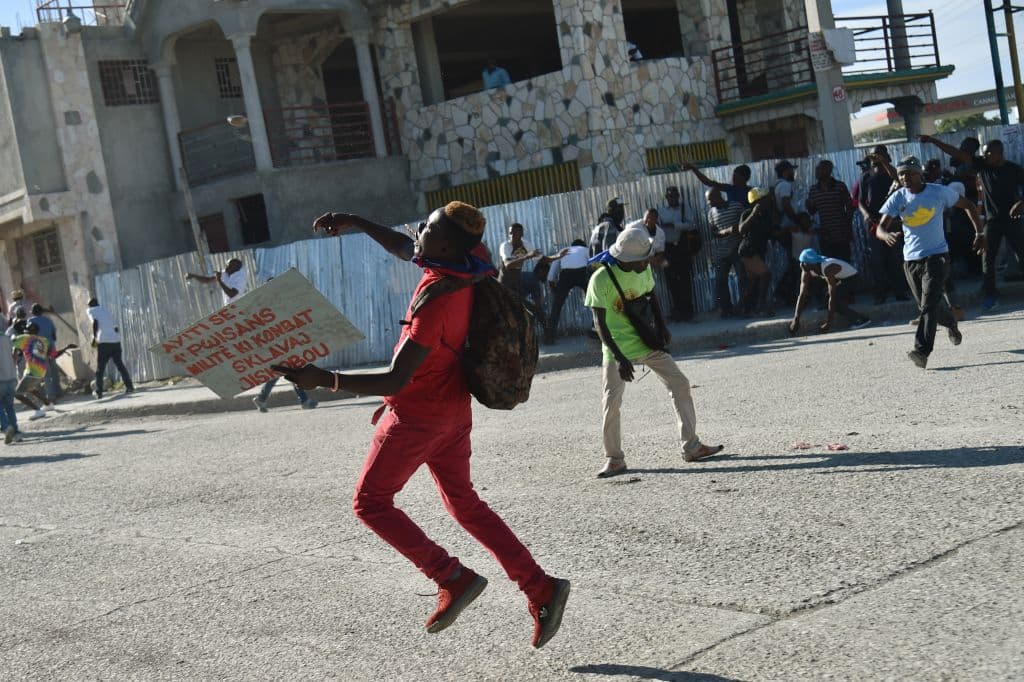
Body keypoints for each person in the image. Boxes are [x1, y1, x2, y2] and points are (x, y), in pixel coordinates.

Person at [276, 203, 570, 649]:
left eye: (428, 229)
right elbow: (404, 246)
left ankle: (451, 575)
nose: (419, 232)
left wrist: (326, 380)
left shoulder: (435, 304)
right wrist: (358, 220)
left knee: (370, 503)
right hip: (453, 410)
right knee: (464, 505)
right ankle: (539, 587)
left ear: (447, 243)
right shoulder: (470, 264)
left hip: (416, 416)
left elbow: (396, 377)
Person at [585, 225, 723, 479]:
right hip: (617, 350)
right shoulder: (601, 279)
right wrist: (620, 358)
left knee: (680, 383)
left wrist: (662, 327)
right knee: (611, 403)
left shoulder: (643, 269)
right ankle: (614, 460)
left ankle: (691, 446)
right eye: (645, 257)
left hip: (646, 343)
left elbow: (651, 296)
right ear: (631, 259)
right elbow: (599, 325)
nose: (649, 260)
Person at [876, 156, 985, 369]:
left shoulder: (938, 191)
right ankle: (951, 323)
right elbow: (880, 227)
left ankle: (922, 351)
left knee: (928, 305)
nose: (904, 177)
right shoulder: (898, 197)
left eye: (909, 172)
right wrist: (885, 235)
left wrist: (979, 231)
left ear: (919, 174)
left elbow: (969, 205)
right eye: (900, 174)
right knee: (928, 305)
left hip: (937, 256)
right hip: (911, 260)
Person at [920, 135, 1024, 311]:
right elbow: (957, 153)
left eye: (987, 153)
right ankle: (991, 294)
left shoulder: (1014, 169)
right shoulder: (982, 166)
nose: (983, 156)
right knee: (987, 259)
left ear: (998, 153)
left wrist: (1021, 202)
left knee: (1022, 254)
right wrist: (934, 141)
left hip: (1013, 220)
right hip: (993, 221)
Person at [859, 146, 908, 303]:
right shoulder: (865, 176)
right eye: (873, 155)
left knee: (895, 258)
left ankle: (900, 291)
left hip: (892, 222)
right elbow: (859, 201)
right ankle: (880, 294)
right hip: (874, 223)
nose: (875, 158)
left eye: (878, 154)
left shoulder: (892, 173)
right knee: (877, 260)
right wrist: (866, 215)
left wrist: (884, 162)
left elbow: (898, 180)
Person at [789, 248, 870, 335]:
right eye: (800, 262)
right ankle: (836, 304)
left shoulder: (828, 268)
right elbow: (802, 295)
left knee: (834, 302)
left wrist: (829, 323)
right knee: (823, 295)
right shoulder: (807, 269)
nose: (801, 265)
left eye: (803, 262)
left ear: (811, 264)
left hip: (852, 279)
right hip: (840, 279)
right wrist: (796, 319)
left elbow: (832, 296)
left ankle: (860, 320)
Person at [658, 186, 700, 321]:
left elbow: (692, 224)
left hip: (682, 247)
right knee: (671, 281)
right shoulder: (661, 210)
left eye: (675, 196)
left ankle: (688, 311)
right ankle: (677, 311)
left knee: (685, 280)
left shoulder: (684, 208)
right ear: (666, 197)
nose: (673, 198)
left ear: (679, 196)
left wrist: (675, 225)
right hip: (667, 248)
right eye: (670, 196)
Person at [498, 223, 548, 327]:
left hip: (516, 285)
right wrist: (526, 256)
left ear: (521, 234)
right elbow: (507, 265)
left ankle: (541, 330)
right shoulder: (505, 246)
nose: (511, 236)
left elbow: (541, 258)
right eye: (510, 233)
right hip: (505, 285)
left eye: (514, 233)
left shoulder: (526, 245)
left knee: (530, 310)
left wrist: (557, 256)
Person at [706, 188, 746, 318]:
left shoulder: (736, 206)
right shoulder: (711, 213)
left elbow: (745, 223)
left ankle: (744, 307)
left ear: (718, 196)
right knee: (720, 281)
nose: (709, 203)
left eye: (710, 199)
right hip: (722, 252)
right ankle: (726, 309)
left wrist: (737, 230)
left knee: (742, 279)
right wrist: (726, 231)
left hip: (737, 249)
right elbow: (714, 233)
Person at [736, 187, 775, 316]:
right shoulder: (747, 213)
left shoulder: (766, 215)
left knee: (752, 283)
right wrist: (753, 214)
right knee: (765, 274)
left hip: (757, 251)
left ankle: (739, 308)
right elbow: (741, 230)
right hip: (748, 251)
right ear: (757, 202)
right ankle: (761, 306)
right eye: (764, 199)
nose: (768, 201)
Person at [543, 239, 590, 344]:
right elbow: (593, 264)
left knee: (556, 307)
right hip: (583, 272)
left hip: (566, 274)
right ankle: (598, 330)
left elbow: (552, 272)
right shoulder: (586, 250)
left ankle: (550, 337)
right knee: (595, 303)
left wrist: (554, 289)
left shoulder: (564, 250)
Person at [806, 159, 854, 261]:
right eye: (816, 170)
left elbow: (849, 207)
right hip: (825, 234)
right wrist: (809, 206)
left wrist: (848, 227)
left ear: (828, 171)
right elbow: (812, 212)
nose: (816, 172)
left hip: (841, 233)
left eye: (819, 169)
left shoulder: (840, 186)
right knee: (829, 264)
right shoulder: (813, 189)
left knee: (844, 263)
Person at [87, 298, 135, 399]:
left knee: (100, 369)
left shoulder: (91, 310)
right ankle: (129, 386)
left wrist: (95, 338)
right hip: (115, 341)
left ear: (90, 305)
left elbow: (95, 322)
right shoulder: (106, 310)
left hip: (104, 343)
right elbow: (114, 327)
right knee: (120, 365)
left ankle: (99, 392)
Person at [12, 322, 53, 420]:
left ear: (28, 330)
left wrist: (14, 335)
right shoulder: (44, 340)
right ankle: (48, 404)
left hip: (32, 372)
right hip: (41, 371)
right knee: (30, 389)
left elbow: (12, 341)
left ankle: (38, 410)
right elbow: (50, 354)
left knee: (17, 394)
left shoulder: (24, 338)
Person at [28, 303, 60, 403]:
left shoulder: (30, 321)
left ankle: (50, 396)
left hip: (39, 347)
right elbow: (54, 335)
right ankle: (58, 391)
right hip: (51, 346)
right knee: (54, 368)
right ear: (41, 312)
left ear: (33, 312)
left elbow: (29, 336)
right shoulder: (48, 320)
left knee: (45, 372)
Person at [684, 162, 752, 207]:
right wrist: (694, 169)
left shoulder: (751, 191)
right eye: (733, 176)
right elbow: (708, 182)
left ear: (745, 177)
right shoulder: (730, 188)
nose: (733, 179)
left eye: (735, 177)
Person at [0, 333, 21, 444]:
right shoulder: (8, 338)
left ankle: (6, 426)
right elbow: (15, 355)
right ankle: (16, 433)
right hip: (11, 378)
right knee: (10, 408)